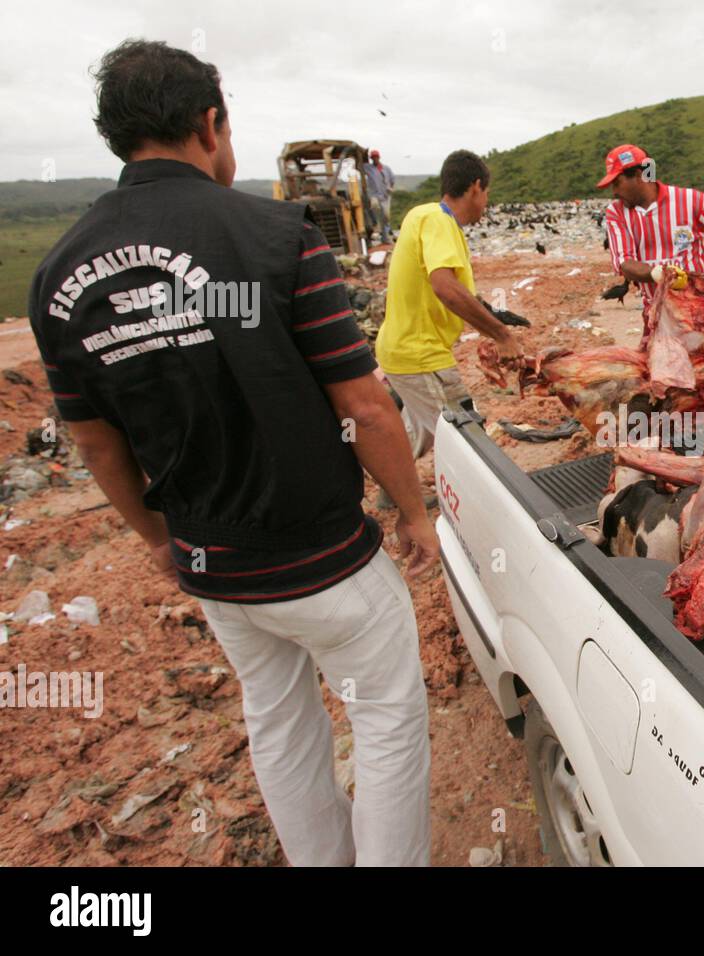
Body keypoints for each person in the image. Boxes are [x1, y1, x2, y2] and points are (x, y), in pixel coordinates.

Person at [28, 40, 438, 867]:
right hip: (326, 561)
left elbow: (98, 446)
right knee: (386, 721)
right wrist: (413, 510)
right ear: (210, 124)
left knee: (279, 722)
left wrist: (157, 540)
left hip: (214, 568)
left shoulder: (57, 275)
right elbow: (362, 404)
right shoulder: (276, 234)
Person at [376, 149, 521, 464]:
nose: (486, 202)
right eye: (486, 194)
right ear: (475, 187)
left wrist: (498, 319)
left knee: (423, 433)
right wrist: (501, 335)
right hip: (420, 355)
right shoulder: (439, 221)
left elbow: (455, 291)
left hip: (399, 350)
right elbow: (445, 287)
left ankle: (391, 491)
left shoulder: (422, 215)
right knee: (469, 439)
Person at [597, 143, 704, 337]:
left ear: (638, 175)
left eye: (617, 183)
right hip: (657, 316)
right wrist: (658, 273)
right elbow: (625, 262)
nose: (614, 192)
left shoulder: (689, 199)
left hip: (700, 312)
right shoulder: (617, 213)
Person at [364, 148, 396, 243]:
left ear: (379, 157)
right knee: (374, 208)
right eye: (373, 157)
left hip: (385, 196)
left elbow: (392, 180)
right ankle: (376, 224)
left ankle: (385, 237)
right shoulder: (368, 167)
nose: (375, 159)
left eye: (376, 157)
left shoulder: (386, 169)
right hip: (374, 195)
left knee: (386, 217)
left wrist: (390, 188)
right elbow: (357, 166)